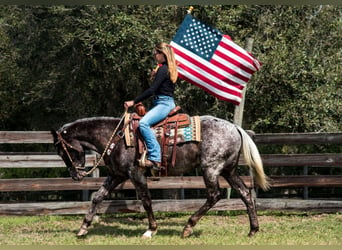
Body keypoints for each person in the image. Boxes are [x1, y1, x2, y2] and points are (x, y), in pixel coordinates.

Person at [124, 42, 178, 170]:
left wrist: (134, 101)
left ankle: (155, 157)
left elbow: (152, 90)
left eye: (156, 53)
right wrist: (155, 77)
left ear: (163, 54)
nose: (154, 56)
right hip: (163, 102)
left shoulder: (163, 69)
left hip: (163, 104)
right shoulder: (166, 69)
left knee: (143, 124)